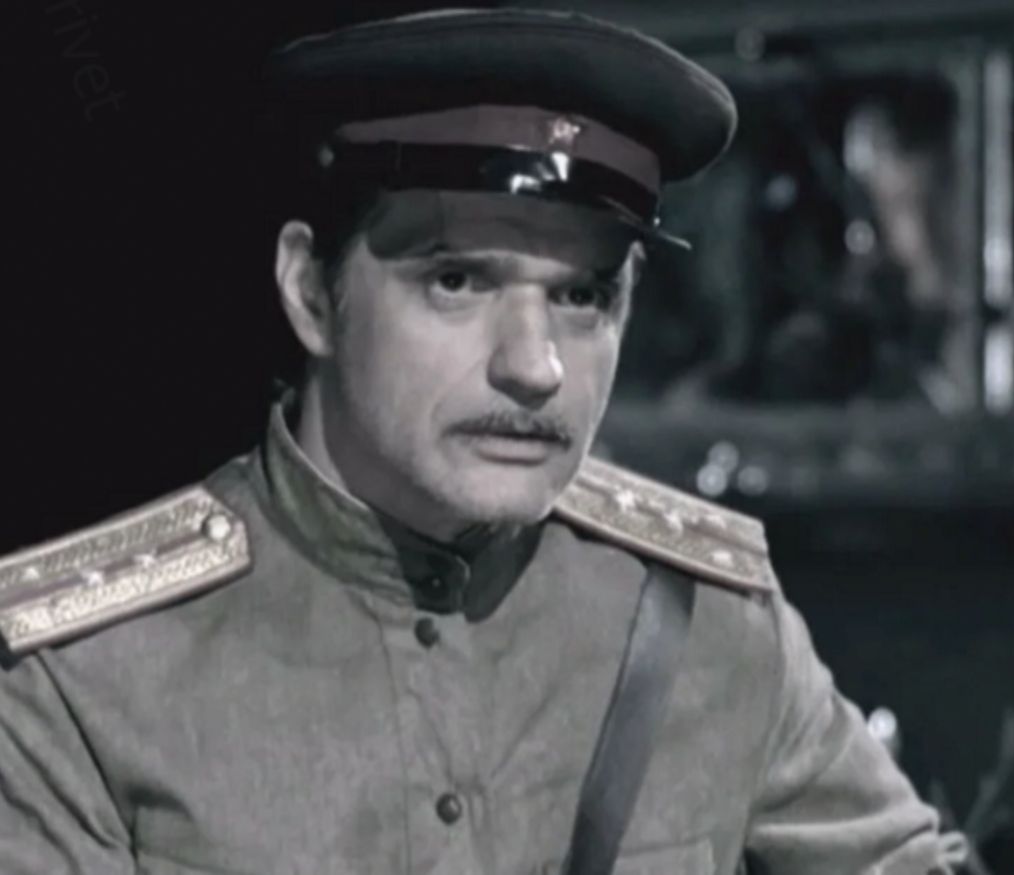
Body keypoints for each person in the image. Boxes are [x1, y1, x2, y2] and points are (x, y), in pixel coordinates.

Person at [0, 9, 963, 874]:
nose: (535, 366)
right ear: (310, 292)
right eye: (456, 281)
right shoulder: (87, 673)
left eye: (582, 294)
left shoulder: (709, 620)